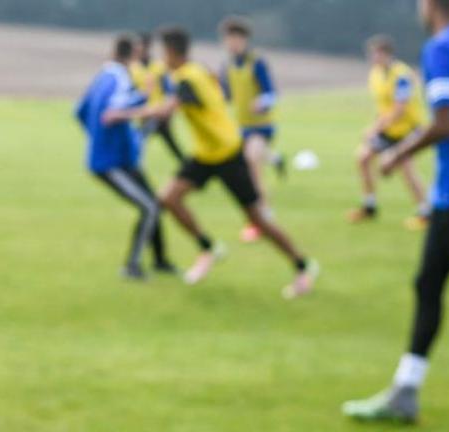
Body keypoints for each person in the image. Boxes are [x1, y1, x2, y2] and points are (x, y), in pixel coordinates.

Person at [103, 27, 319, 298]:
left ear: (171, 52)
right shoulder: (196, 70)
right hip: (205, 154)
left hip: (228, 154)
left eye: (163, 51)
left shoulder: (187, 78)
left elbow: (165, 112)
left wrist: (121, 114)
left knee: (257, 219)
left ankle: (303, 266)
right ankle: (208, 248)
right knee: (169, 198)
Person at [344, 0, 449, 423]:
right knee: (427, 284)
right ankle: (405, 392)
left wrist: (396, 154)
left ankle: (405, 392)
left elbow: (445, 122)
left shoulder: (442, 48)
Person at [76, 35, 175, 280]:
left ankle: (161, 261)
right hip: (110, 163)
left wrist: (142, 97)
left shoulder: (104, 76)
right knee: (150, 207)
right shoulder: (120, 77)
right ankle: (132, 267)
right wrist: (149, 109)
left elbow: (80, 111)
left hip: (123, 159)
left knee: (153, 203)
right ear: (133, 54)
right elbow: (111, 115)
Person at [348, 35, 430, 230]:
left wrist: (374, 128)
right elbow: (382, 107)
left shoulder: (402, 74)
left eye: (375, 54)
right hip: (388, 130)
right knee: (363, 158)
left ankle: (426, 213)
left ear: (386, 54)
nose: (372, 58)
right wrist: (376, 126)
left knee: (407, 170)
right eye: (370, 54)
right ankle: (370, 207)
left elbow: (399, 109)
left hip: (408, 130)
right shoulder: (375, 74)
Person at [218, 16, 286, 243]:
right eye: (229, 39)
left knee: (251, 164)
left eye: (236, 39)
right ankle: (275, 159)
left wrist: (262, 102)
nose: (232, 43)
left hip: (262, 126)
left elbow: (271, 94)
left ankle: (263, 217)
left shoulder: (256, 62)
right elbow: (225, 95)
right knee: (245, 166)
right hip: (241, 127)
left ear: (245, 40)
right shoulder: (227, 66)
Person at [130, 33, 188, 166]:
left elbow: (170, 90)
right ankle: (186, 165)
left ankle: (136, 165)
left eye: (141, 46)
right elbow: (132, 91)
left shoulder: (159, 66)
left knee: (140, 138)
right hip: (144, 113)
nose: (139, 50)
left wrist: (169, 111)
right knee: (167, 142)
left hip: (159, 113)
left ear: (147, 47)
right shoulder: (134, 68)